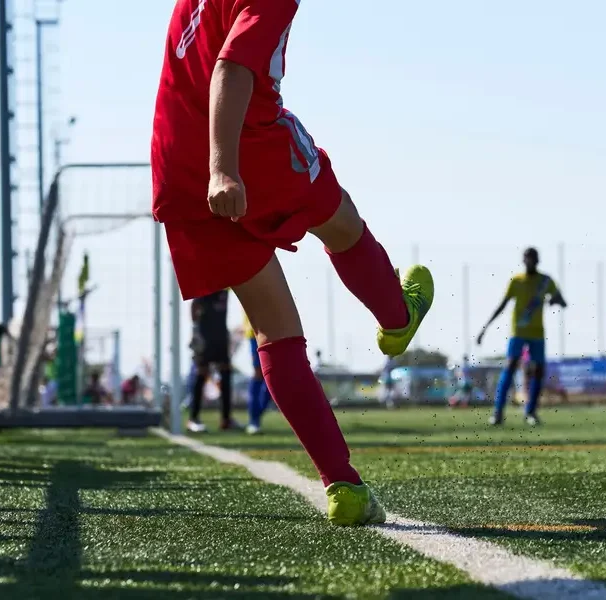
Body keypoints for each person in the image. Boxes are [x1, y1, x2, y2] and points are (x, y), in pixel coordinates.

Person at [151, 0, 434, 526]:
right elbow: (232, 67)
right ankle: (398, 320)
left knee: (274, 329)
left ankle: (342, 486)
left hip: (175, 166)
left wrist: (211, 170)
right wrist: (224, 170)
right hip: (244, 148)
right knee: (342, 221)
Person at [477, 247, 566, 426]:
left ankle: (531, 413)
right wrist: (485, 328)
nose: (530, 262)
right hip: (518, 333)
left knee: (538, 371)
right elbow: (502, 305)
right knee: (510, 367)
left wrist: (553, 300)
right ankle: (498, 413)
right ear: (523, 260)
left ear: (537, 261)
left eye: (533, 259)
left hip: (537, 333)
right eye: (527, 258)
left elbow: (562, 301)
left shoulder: (546, 281)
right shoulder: (516, 281)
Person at [188, 290, 237, 432]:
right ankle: (193, 418)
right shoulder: (205, 282)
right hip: (205, 335)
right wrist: (196, 330)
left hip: (221, 334)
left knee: (226, 373)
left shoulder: (226, 286)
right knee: (202, 373)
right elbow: (194, 304)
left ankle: (226, 419)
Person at [237, 313, 273, 434]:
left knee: (274, 375)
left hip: (277, 330)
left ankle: (257, 414)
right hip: (255, 332)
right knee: (259, 373)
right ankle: (254, 420)